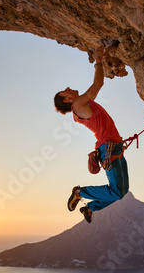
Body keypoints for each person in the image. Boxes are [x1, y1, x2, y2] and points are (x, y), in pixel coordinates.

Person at [53, 46, 129, 223]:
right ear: (66, 99)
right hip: (108, 148)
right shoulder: (78, 105)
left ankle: (90, 207)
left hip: (114, 147)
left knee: (122, 192)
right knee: (117, 191)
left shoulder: (81, 105)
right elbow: (97, 85)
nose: (68, 87)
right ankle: (80, 192)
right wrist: (99, 59)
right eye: (64, 90)